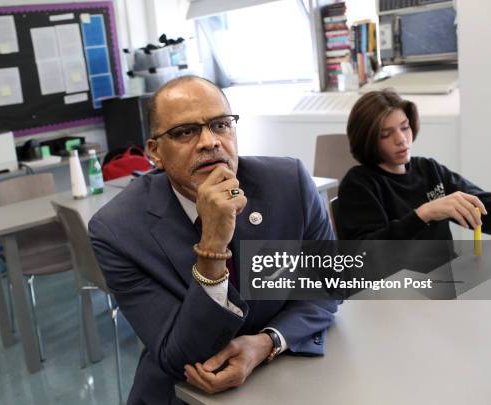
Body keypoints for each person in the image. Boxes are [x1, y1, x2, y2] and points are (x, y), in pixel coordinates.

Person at [89, 75, 339, 404]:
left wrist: (267, 343)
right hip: (189, 394)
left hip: (287, 375)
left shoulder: (288, 183)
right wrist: (212, 248)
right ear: (155, 153)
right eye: (184, 132)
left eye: (221, 125)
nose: (210, 141)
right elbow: (179, 356)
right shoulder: (117, 230)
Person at [338, 89, 490, 241]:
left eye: (405, 127)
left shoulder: (429, 169)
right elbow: (367, 253)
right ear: (367, 139)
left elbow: (480, 205)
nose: (401, 139)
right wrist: (424, 214)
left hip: (448, 265)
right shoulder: (358, 185)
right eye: (385, 134)